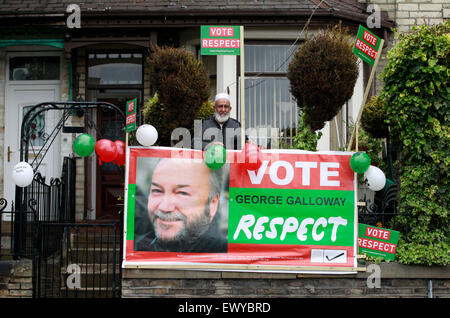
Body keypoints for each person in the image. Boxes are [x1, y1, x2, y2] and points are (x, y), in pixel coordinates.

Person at [135, 157, 228, 253]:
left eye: (182, 193)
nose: (164, 207)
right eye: (157, 190)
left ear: (212, 204)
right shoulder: (138, 247)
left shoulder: (225, 258)